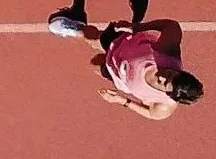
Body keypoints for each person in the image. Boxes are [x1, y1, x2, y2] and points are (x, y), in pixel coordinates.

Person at [48, 18, 204, 120]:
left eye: (163, 83)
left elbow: (151, 113)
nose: (162, 76)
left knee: (95, 64)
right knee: (93, 39)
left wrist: (122, 100)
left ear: (170, 95)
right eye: (169, 74)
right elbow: (171, 25)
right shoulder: (167, 51)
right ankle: (76, 29)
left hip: (117, 73)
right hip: (121, 44)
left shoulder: (165, 106)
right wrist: (137, 27)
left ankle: (102, 57)